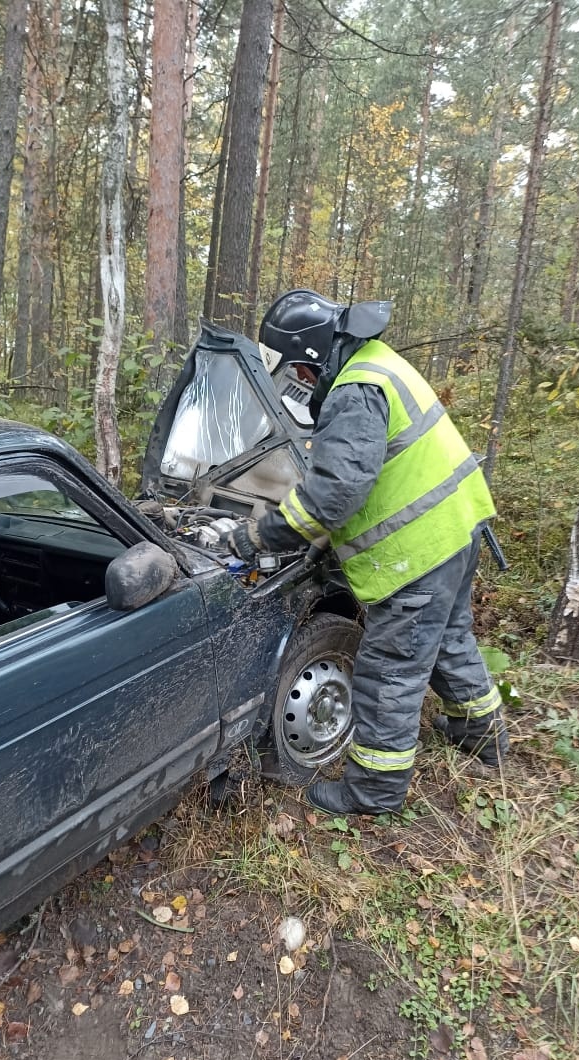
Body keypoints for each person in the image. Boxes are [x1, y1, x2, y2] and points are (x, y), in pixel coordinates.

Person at [226, 289, 508, 817]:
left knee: (389, 670)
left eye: (298, 374)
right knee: (449, 637)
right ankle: (481, 733)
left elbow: (334, 494)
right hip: (457, 528)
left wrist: (262, 536)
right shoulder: (376, 364)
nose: (301, 385)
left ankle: (374, 790)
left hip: (419, 553)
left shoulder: (354, 392)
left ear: (311, 356)